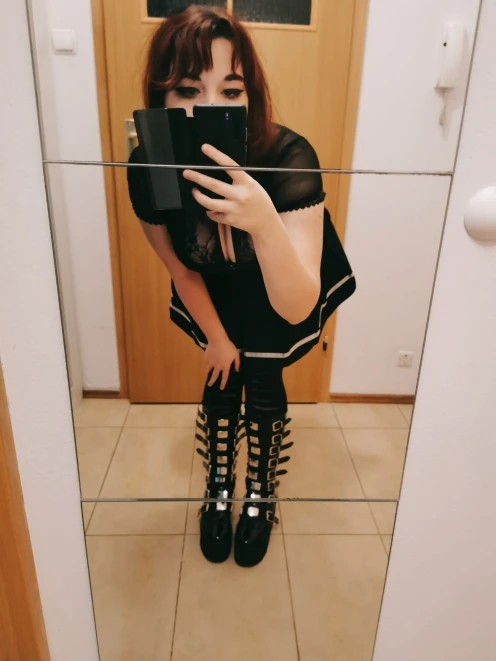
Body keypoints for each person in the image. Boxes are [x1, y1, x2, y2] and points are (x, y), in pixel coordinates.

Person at [127, 5, 355, 567]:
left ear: (250, 96)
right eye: (187, 90)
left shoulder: (288, 157)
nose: (208, 108)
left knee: (264, 376)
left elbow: (296, 305)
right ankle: (219, 485)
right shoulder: (150, 164)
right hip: (213, 288)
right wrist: (217, 338)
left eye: (230, 91)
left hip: (282, 283)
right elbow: (181, 268)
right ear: (159, 97)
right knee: (223, 372)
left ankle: (260, 490)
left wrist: (264, 221)